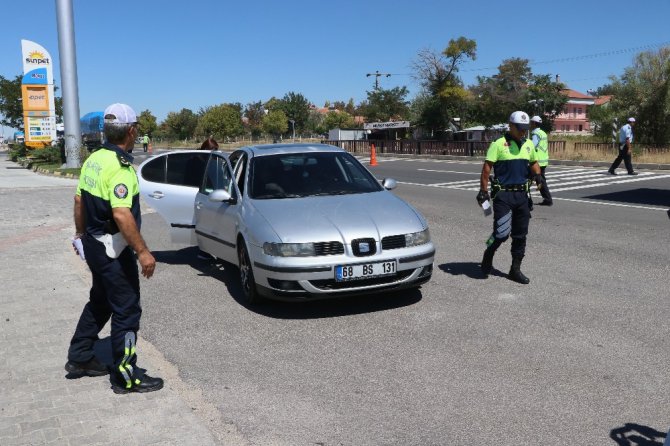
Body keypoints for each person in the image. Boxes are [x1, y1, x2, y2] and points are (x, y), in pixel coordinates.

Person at [66, 103, 163, 394]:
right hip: (113, 249)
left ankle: (81, 356)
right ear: (131, 131)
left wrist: (80, 235)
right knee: (127, 309)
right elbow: (122, 215)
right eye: (137, 129)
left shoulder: (94, 160)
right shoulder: (121, 168)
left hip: (94, 245)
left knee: (101, 300)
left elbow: (79, 201)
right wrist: (143, 252)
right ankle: (126, 375)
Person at [477, 111, 543, 284]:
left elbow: (534, 163)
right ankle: (488, 253)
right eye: (520, 128)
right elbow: (486, 168)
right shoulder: (498, 144)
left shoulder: (528, 144)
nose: (523, 132)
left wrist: (538, 175)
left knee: (520, 235)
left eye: (525, 129)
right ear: (511, 126)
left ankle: (515, 269)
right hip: (503, 195)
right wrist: (483, 191)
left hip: (522, 195)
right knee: (501, 233)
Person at [529, 116, 553, 206]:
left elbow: (532, 146)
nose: (530, 124)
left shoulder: (536, 134)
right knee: (540, 181)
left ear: (534, 123)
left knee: (527, 180)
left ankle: (526, 200)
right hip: (543, 161)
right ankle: (547, 199)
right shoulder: (542, 133)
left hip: (536, 161)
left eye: (531, 122)